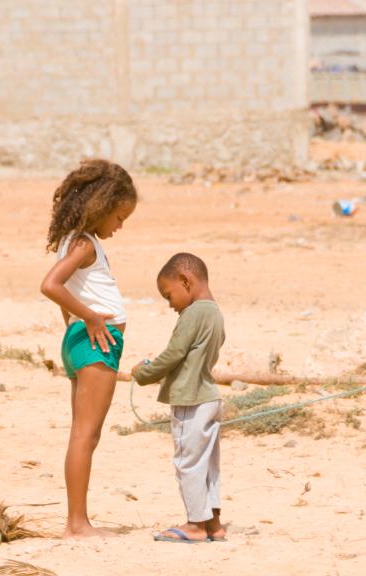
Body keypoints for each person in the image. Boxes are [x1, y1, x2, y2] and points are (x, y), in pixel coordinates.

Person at [40, 158, 137, 538]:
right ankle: (77, 524)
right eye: (118, 216)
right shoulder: (83, 243)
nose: (120, 225)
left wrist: (74, 325)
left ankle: (77, 520)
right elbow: (51, 285)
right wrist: (93, 320)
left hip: (81, 342)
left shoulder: (74, 241)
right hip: (96, 344)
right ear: (101, 207)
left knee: (85, 433)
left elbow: (68, 291)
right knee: (85, 434)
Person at [129, 252, 226, 543]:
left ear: (185, 280)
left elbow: (174, 353)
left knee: (188, 463)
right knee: (208, 463)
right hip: (210, 397)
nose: (170, 305)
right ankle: (214, 524)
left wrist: (144, 373)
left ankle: (195, 525)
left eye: (169, 296)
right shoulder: (215, 313)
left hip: (190, 400)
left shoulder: (193, 313)